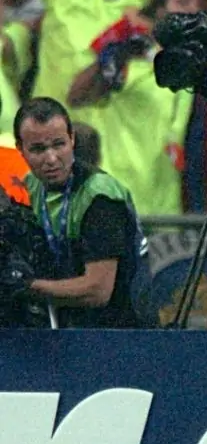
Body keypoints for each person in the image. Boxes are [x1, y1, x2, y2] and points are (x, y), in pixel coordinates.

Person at [14, 97, 143, 328]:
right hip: (63, 331)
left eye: (59, 144)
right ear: (20, 149)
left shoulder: (100, 196)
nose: (51, 158)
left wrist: (24, 287)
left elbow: (97, 291)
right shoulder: (27, 188)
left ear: (72, 139)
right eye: (38, 149)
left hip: (117, 334)